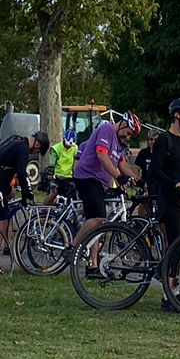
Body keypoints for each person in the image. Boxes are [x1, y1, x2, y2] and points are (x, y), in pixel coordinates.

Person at [69, 109, 138, 261]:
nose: (128, 137)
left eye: (130, 136)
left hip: (100, 182)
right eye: (128, 133)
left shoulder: (119, 143)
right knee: (98, 217)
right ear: (123, 124)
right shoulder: (107, 130)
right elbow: (101, 155)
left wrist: (136, 179)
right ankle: (73, 248)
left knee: (96, 224)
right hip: (87, 177)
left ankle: (93, 263)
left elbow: (122, 164)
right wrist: (119, 177)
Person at [148, 99, 180, 270]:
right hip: (172, 201)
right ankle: (170, 288)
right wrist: (175, 183)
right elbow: (155, 170)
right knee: (176, 243)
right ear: (177, 115)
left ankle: (170, 278)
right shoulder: (164, 140)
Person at [0, 129, 46, 255]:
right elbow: (22, 173)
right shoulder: (23, 149)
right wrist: (27, 191)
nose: (35, 153)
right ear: (37, 144)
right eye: (37, 151)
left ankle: (7, 243)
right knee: (2, 219)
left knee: (12, 194)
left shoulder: (16, 139)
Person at [50, 127, 79, 195]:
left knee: (72, 195)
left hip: (69, 177)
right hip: (58, 177)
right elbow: (51, 164)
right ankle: (45, 205)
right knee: (53, 194)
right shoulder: (56, 148)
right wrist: (51, 178)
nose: (69, 147)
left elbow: (76, 161)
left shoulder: (75, 148)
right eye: (68, 145)